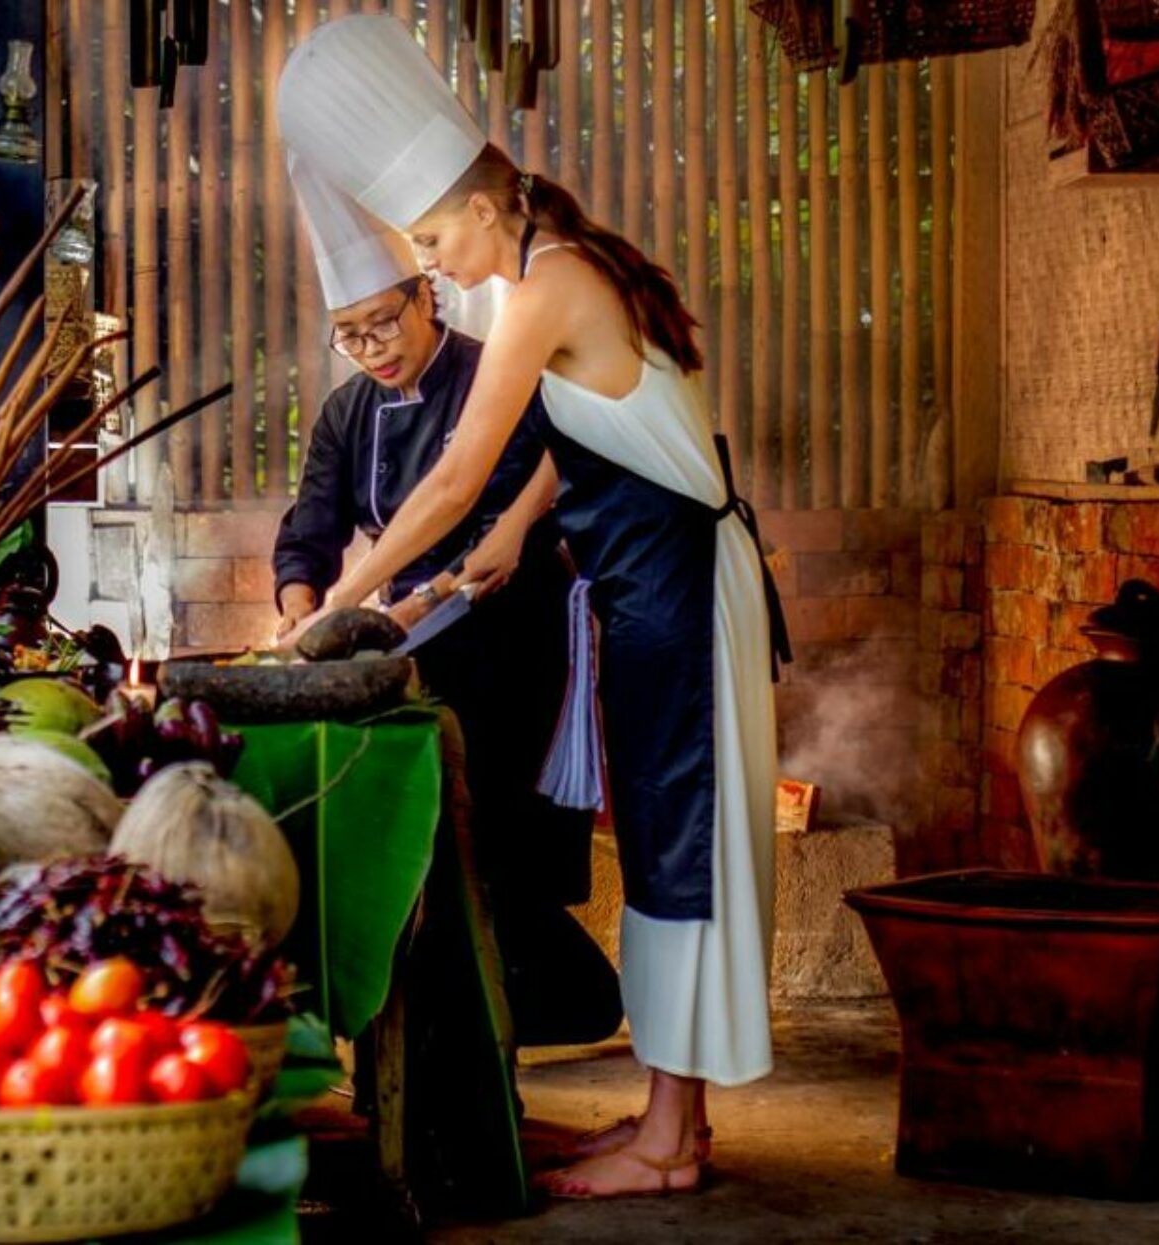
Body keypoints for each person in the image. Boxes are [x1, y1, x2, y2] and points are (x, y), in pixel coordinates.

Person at [277, 14, 790, 1200]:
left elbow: (457, 472)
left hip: (681, 598)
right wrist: (515, 533)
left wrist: (330, 609)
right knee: (665, 852)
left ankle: (670, 1145)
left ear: (491, 205)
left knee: (685, 854)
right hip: (655, 597)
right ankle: (673, 1125)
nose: (439, 260)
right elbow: (582, 435)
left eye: (440, 235)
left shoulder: (543, 288)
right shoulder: (562, 271)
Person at [275, 154, 621, 1048]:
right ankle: (461, 1004)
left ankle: (534, 1005)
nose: (373, 347)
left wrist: (378, 605)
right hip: (413, 638)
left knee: (497, 834)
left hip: (510, 630)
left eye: (384, 322)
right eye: (351, 336)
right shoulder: (349, 413)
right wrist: (300, 599)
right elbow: (310, 524)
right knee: (432, 832)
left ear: (425, 297)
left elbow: (511, 489)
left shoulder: (493, 364)